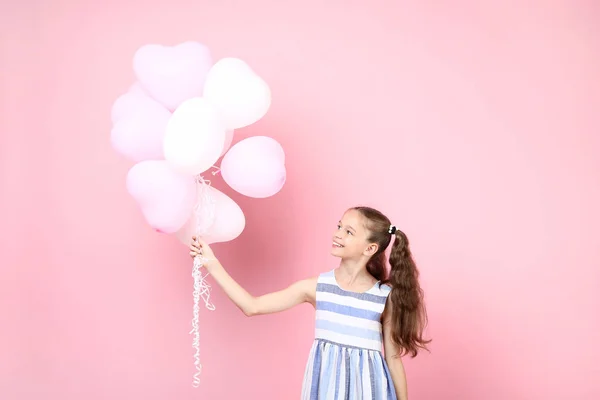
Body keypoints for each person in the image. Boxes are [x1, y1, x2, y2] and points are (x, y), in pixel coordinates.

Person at [189, 206, 430, 400]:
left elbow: (393, 359)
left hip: (371, 392)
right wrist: (211, 262)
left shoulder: (383, 297)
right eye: (339, 226)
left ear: (370, 248)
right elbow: (252, 306)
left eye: (348, 232)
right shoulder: (316, 288)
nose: (337, 234)